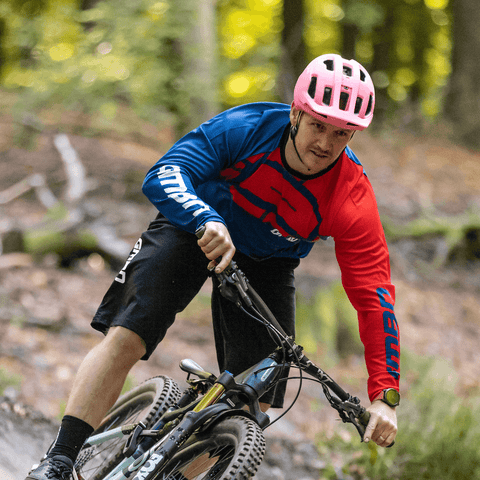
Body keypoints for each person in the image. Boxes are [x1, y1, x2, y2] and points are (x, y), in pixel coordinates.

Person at [27, 53, 400, 480]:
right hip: (193, 226)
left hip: (269, 261)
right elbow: (165, 171)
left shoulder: (352, 196)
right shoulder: (247, 127)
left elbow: (375, 295)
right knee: (129, 333)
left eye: (342, 134)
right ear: (296, 113)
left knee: (251, 401)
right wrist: (204, 217)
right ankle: (59, 459)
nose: (326, 144)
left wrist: (384, 396)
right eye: (318, 125)